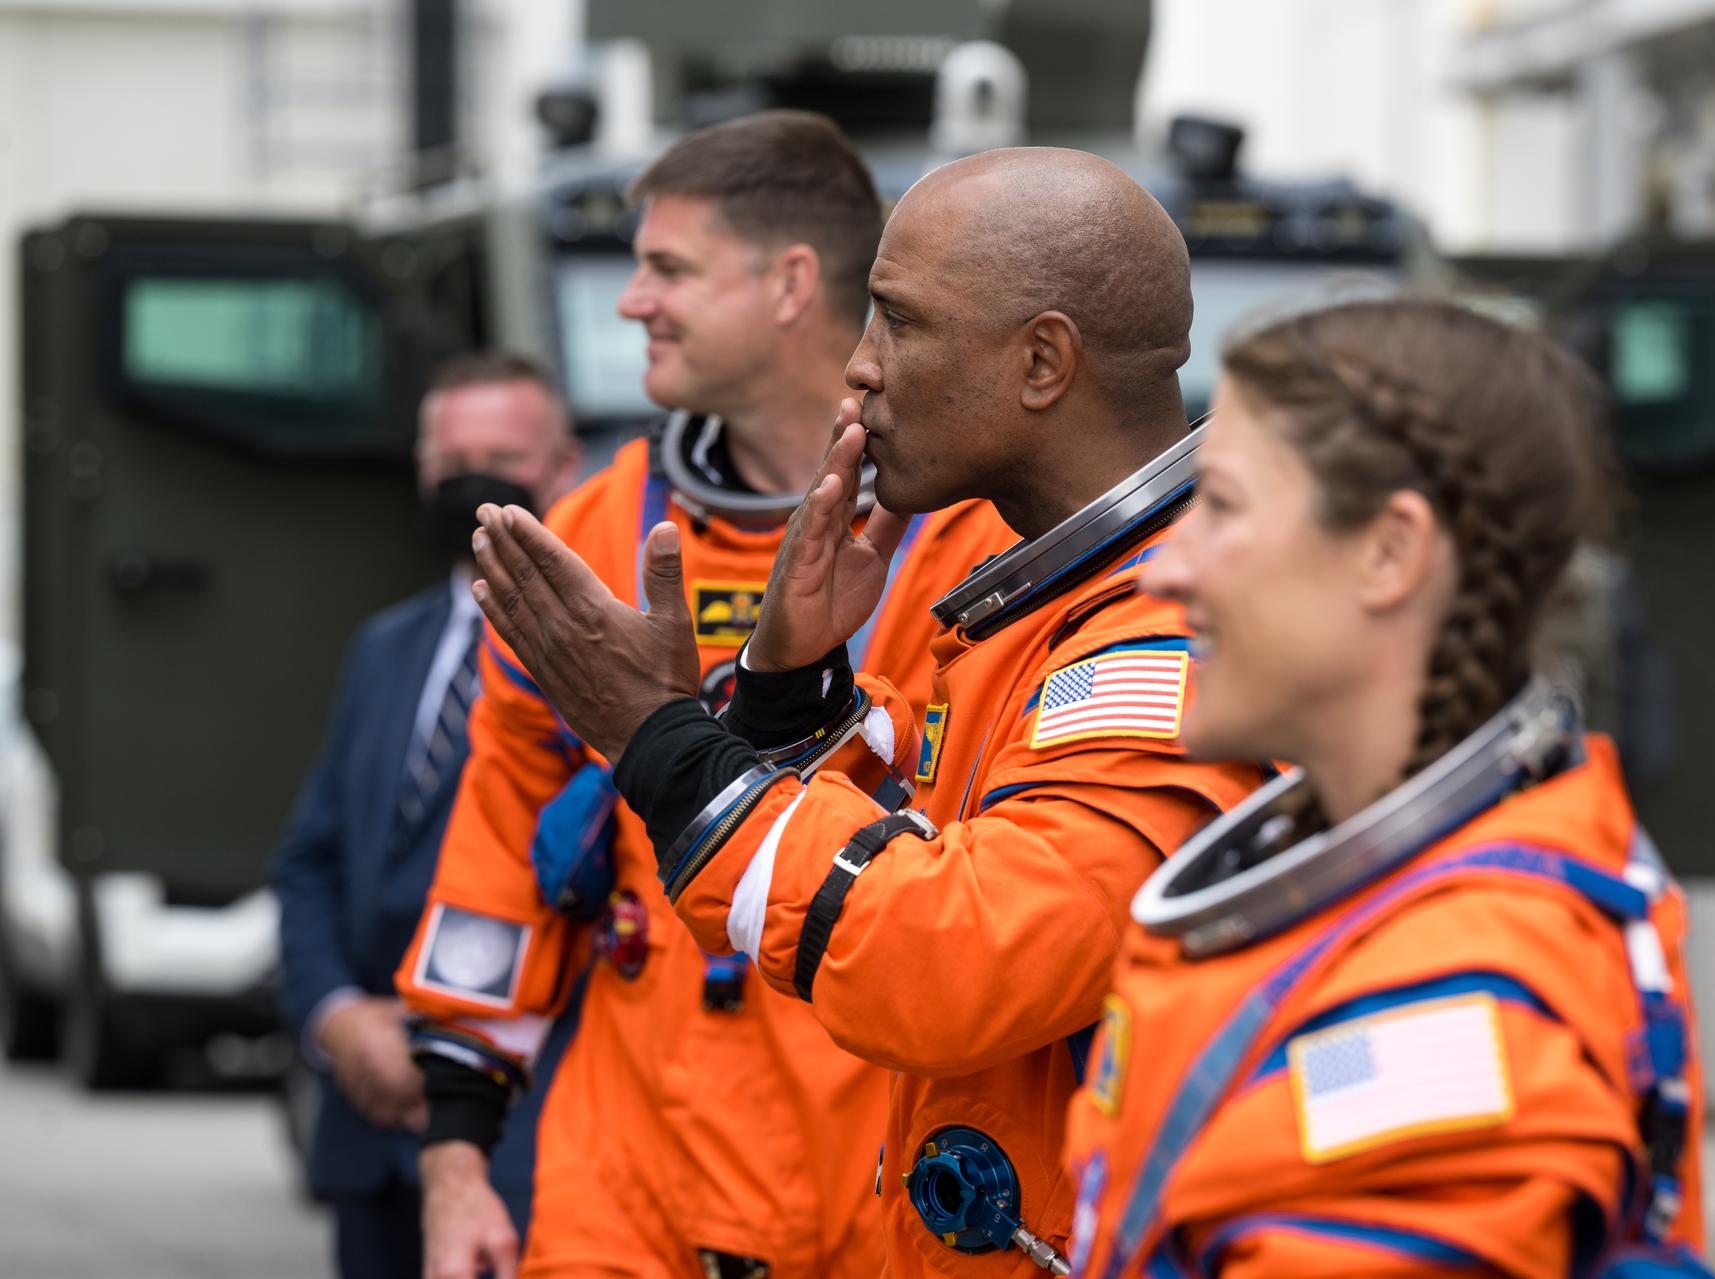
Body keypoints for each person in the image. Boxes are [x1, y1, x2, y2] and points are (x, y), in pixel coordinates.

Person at [464, 147, 1266, 1277]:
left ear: (1043, 362)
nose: (857, 370)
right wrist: (794, 691)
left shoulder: (1171, 630)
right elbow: (925, 843)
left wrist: (662, 738)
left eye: (897, 323)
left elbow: (963, 958)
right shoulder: (1063, 600)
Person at [394, 111, 1013, 1279]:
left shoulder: (971, 540)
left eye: (666, 267)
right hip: (628, 1178)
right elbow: (496, 843)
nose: (632, 301)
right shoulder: (594, 532)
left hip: (882, 1166)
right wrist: (458, 1157)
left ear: (789, 284)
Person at [1061, 300, 1713, 1278]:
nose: (1167, 568)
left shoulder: (1445, 1017)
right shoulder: (1426, 885)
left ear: (1391, 552)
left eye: (1222, 506)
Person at [272, 350, 582, 1279]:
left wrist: (454, 1048)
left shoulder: (599, 659)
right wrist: (339, 1019)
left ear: (564, 466)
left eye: (502, 455)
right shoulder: (384, 645)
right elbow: (310, 861)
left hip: (524, 1134)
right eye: (450, 463)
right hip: (367, 1132)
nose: (471, 482)